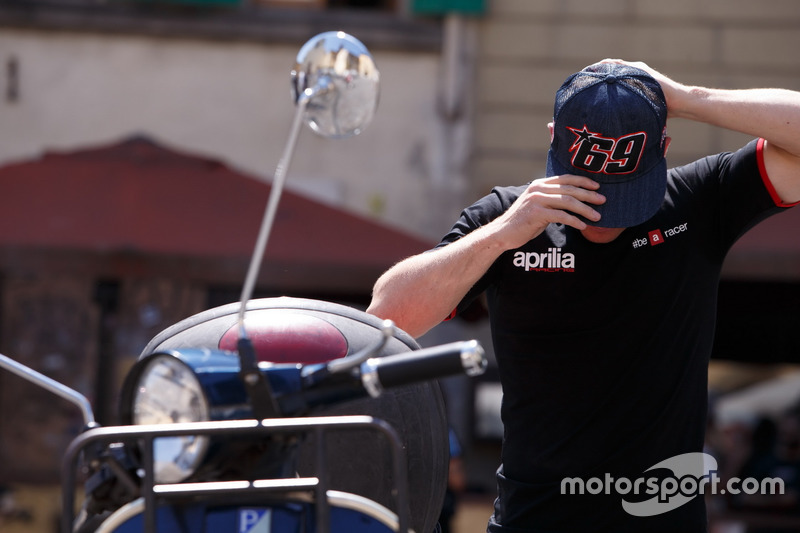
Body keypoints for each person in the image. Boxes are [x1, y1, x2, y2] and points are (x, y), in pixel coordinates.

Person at [366, 59, 800, 532]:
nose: (605, 217)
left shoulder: (697, 201)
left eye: (626, 196)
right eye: (588, 194)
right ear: (552, 137)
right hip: (534, 521)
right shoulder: (506, 218)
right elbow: (388, 316)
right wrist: (502, 235)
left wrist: (685, 98)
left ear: (665, 147)